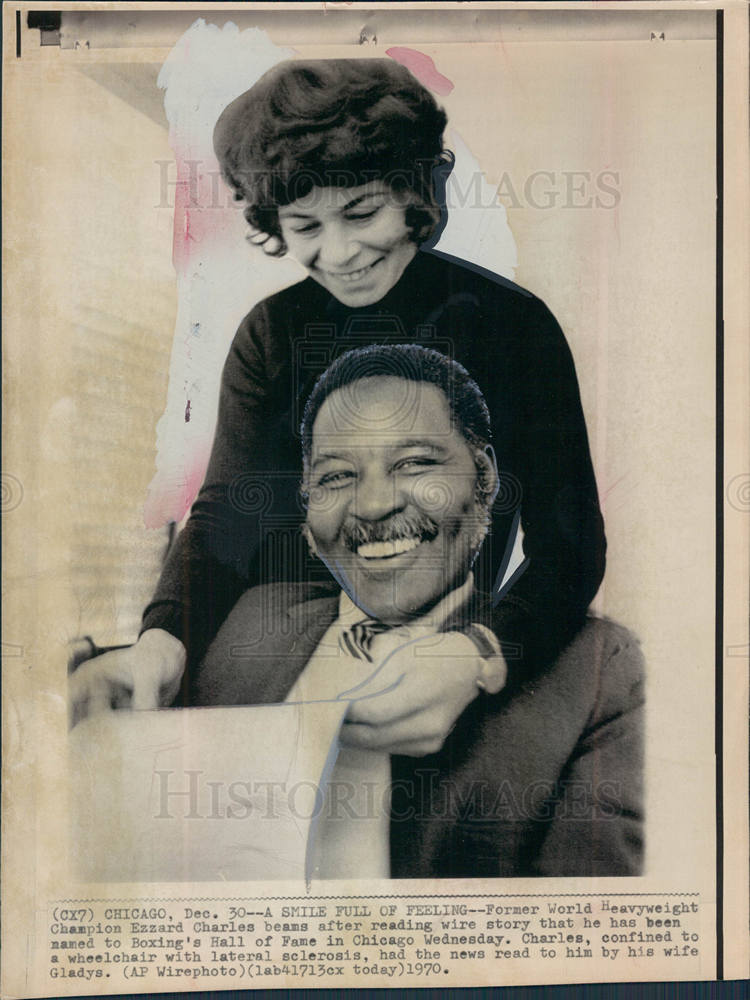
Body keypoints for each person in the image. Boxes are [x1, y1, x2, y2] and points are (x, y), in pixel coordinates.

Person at [70, 58, 606, 735]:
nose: (341, 251)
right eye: (306, 225)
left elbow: (572, 541)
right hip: (276, 648)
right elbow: (227, 515)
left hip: (455, 646)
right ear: (275, 221)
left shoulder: (514, 326)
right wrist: (161, 639)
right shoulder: (269, 334)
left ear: (414, 193)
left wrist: (482, 651)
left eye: (361, 211)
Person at [193, 345, 644, 878]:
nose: (374, 505)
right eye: (337, 476)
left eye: (414, 464)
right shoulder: (247, 621)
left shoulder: (597, 671)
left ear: (485, 477)